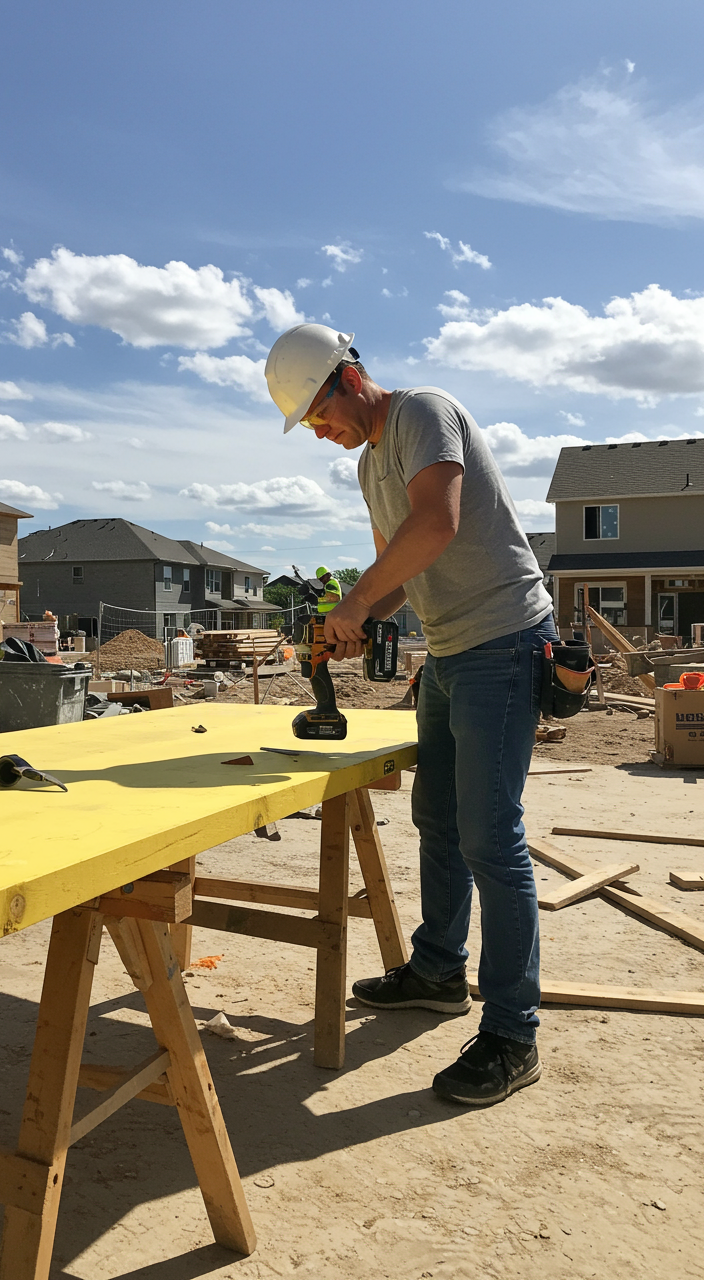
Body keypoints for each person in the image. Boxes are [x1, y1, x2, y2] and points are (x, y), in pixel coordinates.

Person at [265, 323, 556, 1107]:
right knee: (437, 819)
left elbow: (438, 522)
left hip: (507, 640)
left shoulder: (424, 411)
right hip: (453, 653)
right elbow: (401, 569)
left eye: (320, 418)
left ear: (347, 380)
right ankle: (436, 970)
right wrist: (358, 620)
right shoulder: (368, 466)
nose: (322, 436)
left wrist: (357, 600)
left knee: (493, 838)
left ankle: (512, 1035)